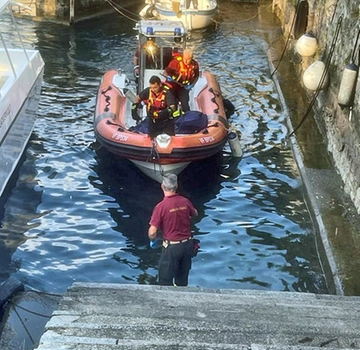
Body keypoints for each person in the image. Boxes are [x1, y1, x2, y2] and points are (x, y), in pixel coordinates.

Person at [148, 174, 198, 286]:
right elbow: (195, 213)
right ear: (176, 187)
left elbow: (152, 232)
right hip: (187, 245)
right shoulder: (185, 201)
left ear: (162, 186)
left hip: (172, 247)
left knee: (165, 281)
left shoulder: (161, 207)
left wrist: (153, 240)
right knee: (182, 280)